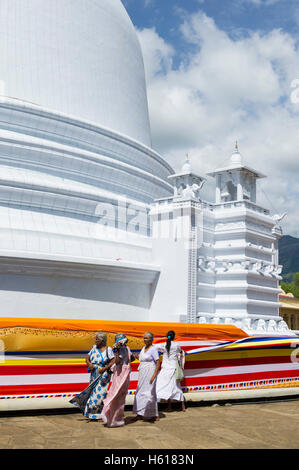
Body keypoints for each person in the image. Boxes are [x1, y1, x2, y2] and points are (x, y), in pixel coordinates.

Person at [69, 331, 114, 420]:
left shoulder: (108, 350)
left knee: (99, 394)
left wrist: (105, 368)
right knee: (92, 392)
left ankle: (97, 414)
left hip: (103, 375)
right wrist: (89, 363)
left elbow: (113, 360)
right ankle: (94, 414)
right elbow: (87, 357)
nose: (95, 341)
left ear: (102, 340)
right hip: (94, 373)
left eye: (97, 339)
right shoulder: (94, 348)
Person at [101, 333, 134, 427]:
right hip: (125, 375)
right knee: (120, 397)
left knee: (115, 395)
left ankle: (112, 419)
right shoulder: (127, 348)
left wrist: (118, 351)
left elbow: (118, 361)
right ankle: (116, 419)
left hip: (120, 375)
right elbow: (132, 358)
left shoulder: (122, 349)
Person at [132, 331, 160, 421]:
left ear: (151, 339)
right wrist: (136, 356)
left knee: (150, 392)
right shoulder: (143, 348)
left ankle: (154, 414)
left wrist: (154, 375)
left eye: (146, 338)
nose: (145, 339)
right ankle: (140, 413)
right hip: (142, 372)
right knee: (140, 391)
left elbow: (158, 363)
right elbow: (141, 358)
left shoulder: (153, 349)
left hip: (150, 371)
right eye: (144, 338)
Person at [156, 330, 186, 412]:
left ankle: (169, 407)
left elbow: (155, 347)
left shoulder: (163, 345)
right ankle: (182, 406)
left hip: (165, 369)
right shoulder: (176, 345)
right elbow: (180, 351)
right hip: (173, 368)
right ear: (174, 337)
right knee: (176, 387)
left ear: (167, 336)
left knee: (165, 386)